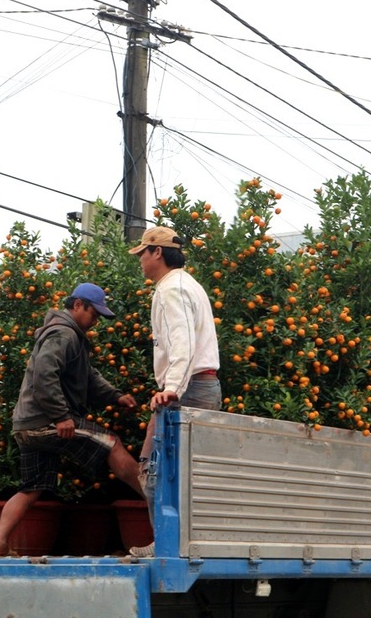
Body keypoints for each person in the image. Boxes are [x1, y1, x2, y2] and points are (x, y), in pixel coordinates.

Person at [0, 283, 148, 557]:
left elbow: (89, 377)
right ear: (77, 305)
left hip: (27, 424)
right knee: (111, 443)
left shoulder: (72, 336)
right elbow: (44, 375)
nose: (95, 321)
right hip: (44, 421)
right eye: (93, 313)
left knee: (31, 489)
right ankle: (153, 499)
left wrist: (116, 397)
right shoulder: (63, 334)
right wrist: (61, 416)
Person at [128, 226, 222, 557]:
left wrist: (171, 389)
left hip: (188, 387)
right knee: (184, 475)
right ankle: (181, 543)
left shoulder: (170, 290)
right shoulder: (189, 285)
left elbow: (182, 342)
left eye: (142, 252)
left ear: (157, 253)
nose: (140, 259)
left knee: (158, 472)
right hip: (201, 384)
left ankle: (167, 546)